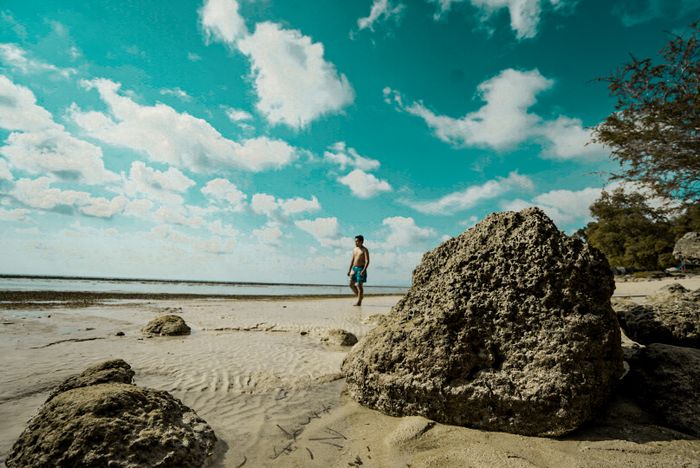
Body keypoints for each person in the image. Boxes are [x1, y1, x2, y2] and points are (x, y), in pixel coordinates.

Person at [348, 235, 369, 306]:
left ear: (361, 241)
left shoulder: (364, 250)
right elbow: (352, 260)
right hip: (354, 268)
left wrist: (364, 270)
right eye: (355, 241)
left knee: (359, 286)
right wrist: (349, 269)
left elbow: (367, 261)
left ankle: (359, 302)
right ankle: (360, 297)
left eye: (357, 241)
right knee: (351, 284)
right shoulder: (355, 249)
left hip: (361, 268)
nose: (355, 243)